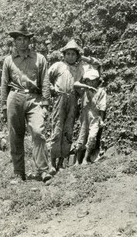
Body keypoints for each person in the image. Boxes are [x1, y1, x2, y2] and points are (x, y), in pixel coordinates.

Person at [1, 24, 52, 183]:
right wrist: (3, 106)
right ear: (14, 42)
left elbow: (45, 81)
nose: (22, 42)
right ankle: (18, 173)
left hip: (34, 99)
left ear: (30, 41)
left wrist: (45, 103)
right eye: (19, 39)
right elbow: (4, 84)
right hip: (14, 98)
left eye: (25, 39)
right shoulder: (9, 61)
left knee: (38, 132)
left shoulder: (40, 58)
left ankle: (43, 170)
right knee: (15, 136)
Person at [46, 39, 86, 172]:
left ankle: (61, 162)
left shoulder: (80, 69)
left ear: (77, 56)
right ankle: (52, 162)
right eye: (68, 54)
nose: (70, 56)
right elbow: (46, 78)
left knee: (68, 130)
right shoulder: (58, 66)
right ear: (64, 55)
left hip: (73, 100)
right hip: (60, 98)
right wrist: (52, 89)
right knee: (57, 128)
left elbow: (83, 83)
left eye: (73, 54)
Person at [73, 69, 107, 165]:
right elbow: (75, 85)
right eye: (88, 81)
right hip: (84, 117)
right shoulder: (84, 90)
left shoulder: (101, 92)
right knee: (81, 138)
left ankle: (85, 159)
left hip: (95, 116)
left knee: (92, 137)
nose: (91, 83)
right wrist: (86, 86)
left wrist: (101, 118)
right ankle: (76, 161)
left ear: (97, 80)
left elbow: (102, 106)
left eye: (93, 80)